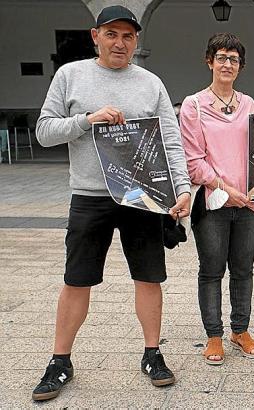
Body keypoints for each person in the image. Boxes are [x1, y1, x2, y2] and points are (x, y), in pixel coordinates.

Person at [31, 5, 191, 401]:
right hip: (89, 195)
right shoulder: (70, 76)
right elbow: (44, 132)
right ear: (95, 35)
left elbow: (170, 140)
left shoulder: (151, 83)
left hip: (142, 196)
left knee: (149, 277)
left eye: (128, 36)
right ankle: (60, 360)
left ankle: (152, 353)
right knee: (76, 279)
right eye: (112, 34)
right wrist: (88, 119)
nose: (120, 43)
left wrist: (182, 188)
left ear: (137, 40)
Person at [179, 33, 254, 365]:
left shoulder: (249, 104)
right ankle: (214, 336)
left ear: (240, 66)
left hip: (249, 204)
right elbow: (193, 160)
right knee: (212, 270)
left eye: (233, 58)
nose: (227, 63)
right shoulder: (194, 105)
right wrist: (227, 188)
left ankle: (240, 330)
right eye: (221, 57)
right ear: (209, 61)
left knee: (244, 270)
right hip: (214, 203)